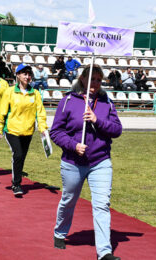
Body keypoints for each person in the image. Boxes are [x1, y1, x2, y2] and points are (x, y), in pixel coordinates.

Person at [50, 64, 122, 260]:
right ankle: (60, 232)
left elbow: (117, 130)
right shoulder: (67, 101)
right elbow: (55, 132)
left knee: (102, 205)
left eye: (99, 80)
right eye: (92, 79)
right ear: (82, 78)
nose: (96, 84)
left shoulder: (107, 102)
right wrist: (73, 145)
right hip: (73, 162)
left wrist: (97, 120)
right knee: (69, 199)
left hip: (100, 161)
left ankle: (104, 252)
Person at [0, 63, 48, 196]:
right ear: (17, 75)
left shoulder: (35, 93)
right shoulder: (10, 92)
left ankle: (17, 180)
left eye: (29, 74)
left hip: (28, 131)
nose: (27, 76)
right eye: (24, 73)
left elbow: (40, 113)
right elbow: (2, 111)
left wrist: (42, 128)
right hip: (12, 130)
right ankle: (16, 184)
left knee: (21, 158)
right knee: (17, 154)